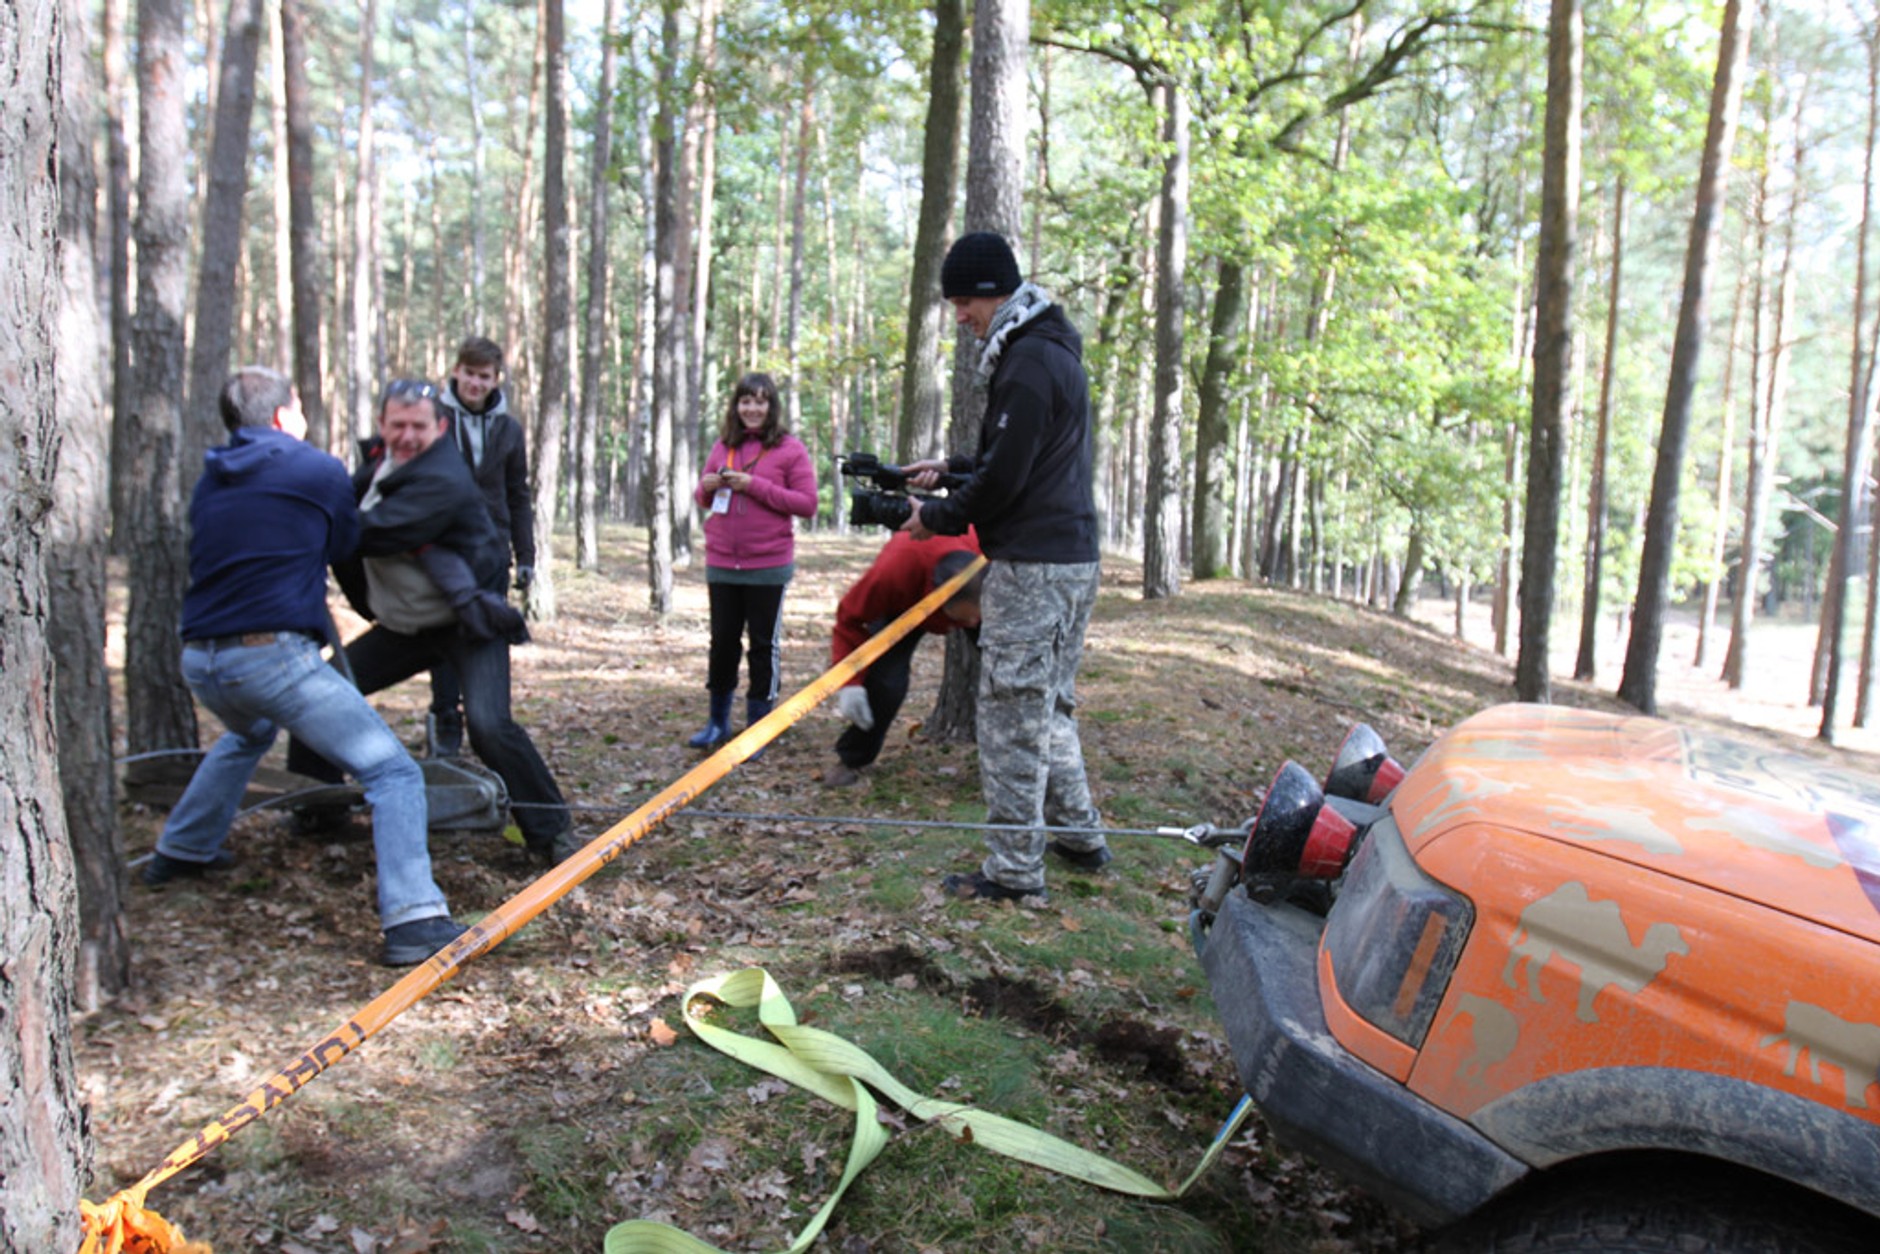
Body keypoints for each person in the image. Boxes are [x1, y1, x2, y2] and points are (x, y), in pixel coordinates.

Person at [142, 366, 467, 967]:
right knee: (394, 774)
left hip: (202, 663)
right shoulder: (317, 469)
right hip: (270, 657)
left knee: (248, 734)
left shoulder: (211, 476)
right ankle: (415, 920)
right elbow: (345, 544)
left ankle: (182, 850)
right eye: (298, 405)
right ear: (283, 416)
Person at [290, 379, 579, 868]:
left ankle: (552, 832)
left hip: (468, 624)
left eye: (418, 427)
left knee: (489, 725)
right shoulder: (377, 468)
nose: (407, 436)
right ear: (382, 425)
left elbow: (373, 532)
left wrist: (302, 523)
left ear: (439, 428)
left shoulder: (444, 478)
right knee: (320, 693)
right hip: (407, 626)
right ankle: (319, 809)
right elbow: (345, 517)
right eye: (398, 425)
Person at [902, 232, 1110, 903]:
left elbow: (1005, 483)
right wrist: (951, 469)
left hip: (1035, 567)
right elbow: (1018, 458)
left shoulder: (1027, 362)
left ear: (996, 292)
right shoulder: (1046, 349)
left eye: (965, 301)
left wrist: (934, 517)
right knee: (1047, 706)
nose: (960, 316)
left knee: (1012, 717)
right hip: (1068, 559)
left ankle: (1015, 872)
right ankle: (1080, 836)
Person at [686, 371, 819, 749]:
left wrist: (754, 486)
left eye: (760, 402)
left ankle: (759, 728)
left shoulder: (790, 449)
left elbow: (807, 503)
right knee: (722, 644)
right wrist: (706, 487)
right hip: (722, 563)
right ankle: (717, 723)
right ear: (736, 406)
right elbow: (704, 498)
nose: (752, 409)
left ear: (771, 406)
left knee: (762, 646)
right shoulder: (723, 446)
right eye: (746, 401)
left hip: (768, 565)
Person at [426, 335, 536, 756]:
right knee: (441, 634)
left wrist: (525, 555)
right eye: (469, 373)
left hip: (491, 550)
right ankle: (445, 718)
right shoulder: (433, 419)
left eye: (484, 376)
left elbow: (518, 494)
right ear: (456, 371)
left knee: (485, 632)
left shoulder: (509, 429)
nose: (475, 383)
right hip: (443, 548)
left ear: (495, 380)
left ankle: (488, 723)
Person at [824, 530, 984, 788]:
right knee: (885, 683)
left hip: (976, 592)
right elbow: (849, 621)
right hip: (904, 604)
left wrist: (977, 617)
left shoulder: (989, 552)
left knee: (1008, 668)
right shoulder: (892, 574)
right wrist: (850, 683)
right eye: (964, 619)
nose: (972, 624)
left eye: (974, 617)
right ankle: (853, 759)